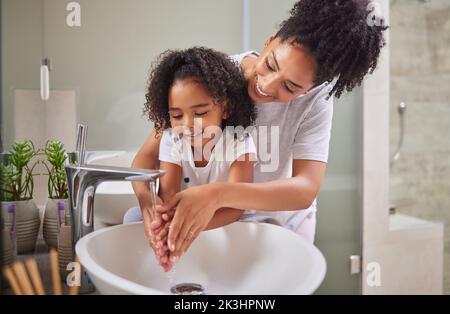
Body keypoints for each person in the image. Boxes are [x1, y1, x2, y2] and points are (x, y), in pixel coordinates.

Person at [130, 0, 387, 270]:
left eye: (290, 87)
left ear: (311, 88)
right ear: (270, 40)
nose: (266, 85)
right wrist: (148, 202)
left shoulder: (316, 102)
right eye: (271, 64)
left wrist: (218, 194)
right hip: (217, 222)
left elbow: (305, 189)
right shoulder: (214, 77)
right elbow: (147, 156)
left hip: (280, 227)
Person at [127, 47, 257, 270]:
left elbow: (236, 207)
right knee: (132, 218)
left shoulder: (239, 141)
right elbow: (169, 194)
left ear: (225, 108)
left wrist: (190, 227)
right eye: (177, 115)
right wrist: (166, 229)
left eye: (200, 113)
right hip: (183, 217)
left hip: (226, 220)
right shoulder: (172, 139)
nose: (187, 124)